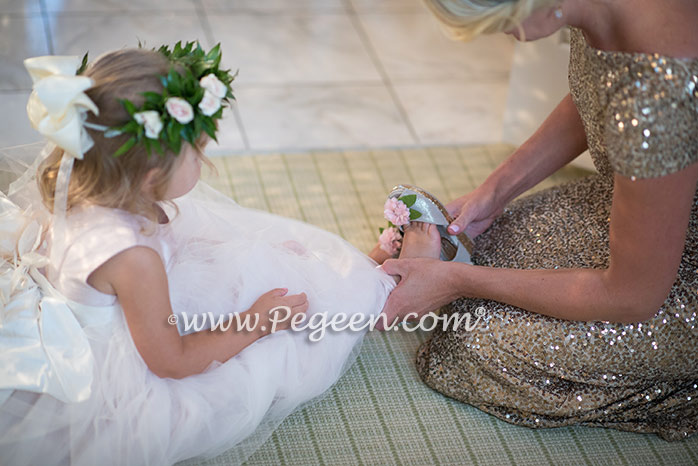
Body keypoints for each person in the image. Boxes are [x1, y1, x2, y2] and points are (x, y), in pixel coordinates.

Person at [0, 43, 440, 465]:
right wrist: (258, 322)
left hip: (132, 309)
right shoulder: (131, 258)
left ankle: (360, 273)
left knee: (262, 260)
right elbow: (171, 360)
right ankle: (389, 293)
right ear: (152, 176)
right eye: (197, 153)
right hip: (134, 365)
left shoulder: (83, 181)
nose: (205, 162)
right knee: (289, 329)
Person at [374, 0, 698, 440]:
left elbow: (632, 295)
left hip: (666, 276)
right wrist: (495, 191)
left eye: (503, 23)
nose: (506, 36)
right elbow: (596, 95)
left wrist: (457, 282)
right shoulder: (604, 15)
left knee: (471, 348)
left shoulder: (659, 98)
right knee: (489, 247)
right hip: (659, 202)